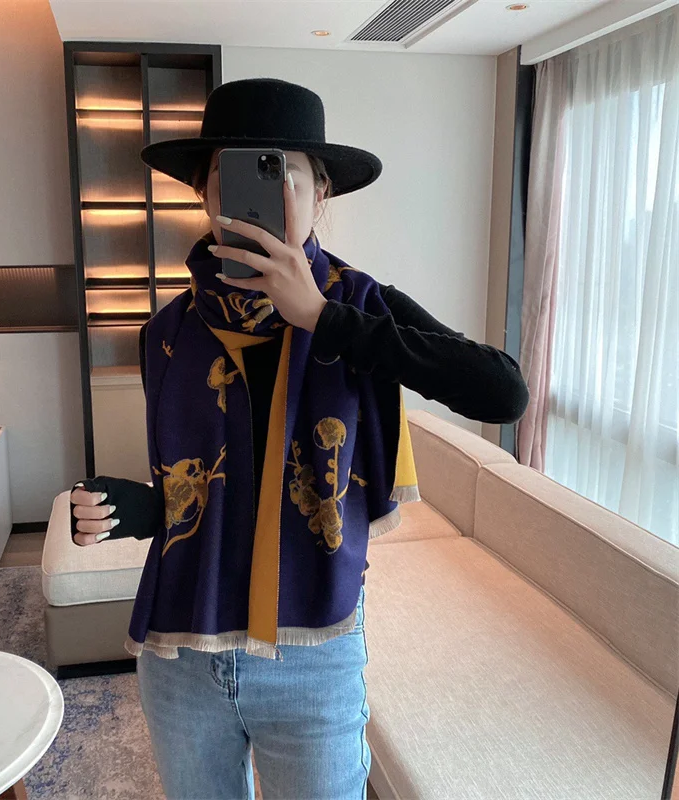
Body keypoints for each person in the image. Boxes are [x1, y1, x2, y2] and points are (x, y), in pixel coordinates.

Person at [69, 78, 529, 800]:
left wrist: (321, 317)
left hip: (313, 656)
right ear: (206, 195)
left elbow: (502, 391)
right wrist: (141, 509)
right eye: (233, 174)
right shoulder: (165, 335)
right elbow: (209, 490)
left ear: (321, 195)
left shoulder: (360, 308)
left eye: (282, 171)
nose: (260, 192)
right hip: (182, 653)